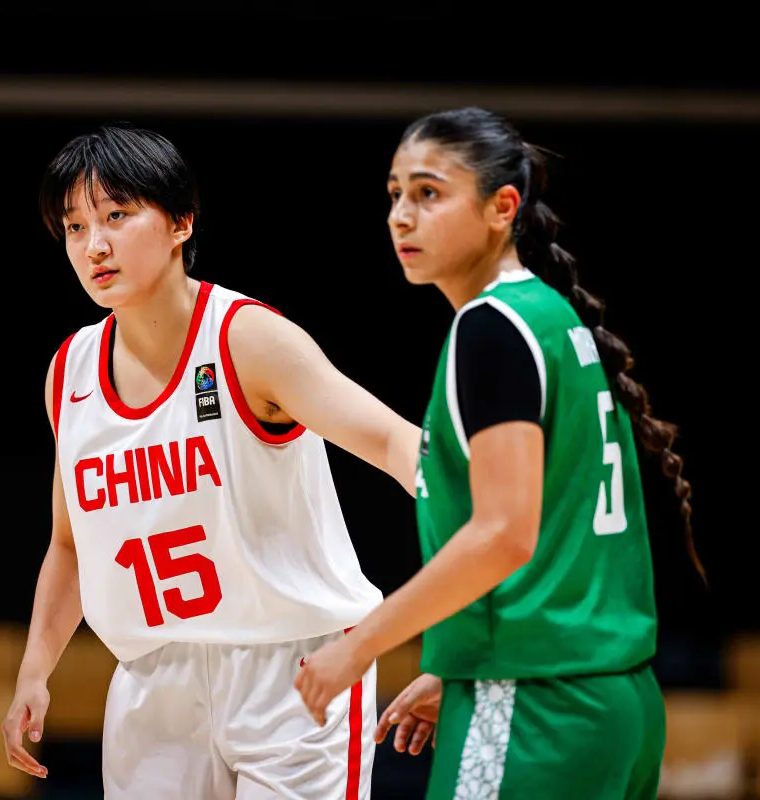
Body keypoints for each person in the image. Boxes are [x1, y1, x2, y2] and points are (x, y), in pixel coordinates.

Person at [1, 124, 420, 799]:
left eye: (116, 215)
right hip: (153, 676)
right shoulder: (70, 370)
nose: (94, 245)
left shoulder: (248, 339)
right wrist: (33, 670)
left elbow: (398, 445)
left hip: (293, 665)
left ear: (181, 222)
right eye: (75, 227)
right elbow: (71, 545)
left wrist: (483, 557)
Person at [293, 106, 702, 799]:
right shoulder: (551, 315)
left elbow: (503, 534)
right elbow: (552, 533)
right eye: (394, 193)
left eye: (428, 193)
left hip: (537, 706)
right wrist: (461, 659)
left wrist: (358, 646)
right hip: (613, 702)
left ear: (501, 207)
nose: (401, 216)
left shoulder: (491, 329)